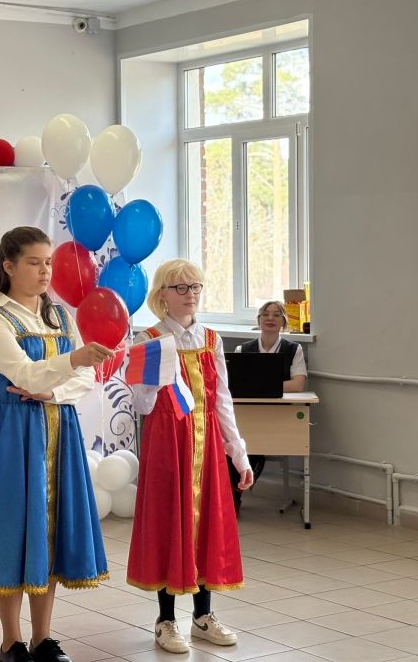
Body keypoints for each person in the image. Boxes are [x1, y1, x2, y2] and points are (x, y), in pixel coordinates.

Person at [0, 226, 113, 662]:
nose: (45, 270)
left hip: (58, 425)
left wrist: (54, 392)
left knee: (48, 531)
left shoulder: (59, 315)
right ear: (9, 267)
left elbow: (85, 377)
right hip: (13, 433)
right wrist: (70, 362)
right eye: (34, 262)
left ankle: (42, 638)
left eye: (48, 262)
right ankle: (11, 641)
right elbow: (23, 374)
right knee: (15, 528)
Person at [127, 259, 252, 654]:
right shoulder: (148, 338)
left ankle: (203, 616)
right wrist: (156, 376)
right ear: (162, 294)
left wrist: (239, 453)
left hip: (207, 443)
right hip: (168, 442)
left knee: (207, 524)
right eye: (180, 287)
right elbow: (142, 404)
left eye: (195, 286)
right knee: (170, 522)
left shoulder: (211, 339)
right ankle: (165, 620)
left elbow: (222, 399)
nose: (190, 294)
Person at [229, 300, 308, 510]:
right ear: (259, 320)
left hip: (278, 414)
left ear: (284, 321)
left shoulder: (294, 349)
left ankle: (237, 492)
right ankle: (231, 497)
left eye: (276, 314)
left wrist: (259, 386)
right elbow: (236, 384)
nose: (270, 318)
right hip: (248, 413)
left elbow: (298, 384)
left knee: (256, 447)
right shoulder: (243, 349)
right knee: (234, 446)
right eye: (265, 314)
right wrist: (270, 386)